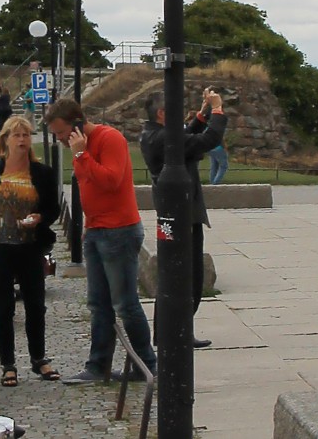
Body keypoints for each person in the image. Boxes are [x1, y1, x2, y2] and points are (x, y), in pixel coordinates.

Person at [45, 98, 156, 384]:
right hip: (96, 231)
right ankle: (98, 366)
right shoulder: (78, 147)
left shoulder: (110, 139)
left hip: (119, 231)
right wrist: (89, 226)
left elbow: (111, 181)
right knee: (98, 304)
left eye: (60, 132)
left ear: (77, 124)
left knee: (125, 303)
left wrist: (82, 155)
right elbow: (87, 188)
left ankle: (148, 364)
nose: (57, 139)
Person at [0, 116, 62, 387]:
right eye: (16, 135)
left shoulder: (42, 172)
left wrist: (39, 218)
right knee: (3, 306)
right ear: (5, 140)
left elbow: (52, 208)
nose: (22, 140)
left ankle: (39, 358)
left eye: (26, 135)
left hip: (29, 245)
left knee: (35, 304)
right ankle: (8, 365)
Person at [140, 88, 226, 350]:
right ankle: (175, 332)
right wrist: (218, 109)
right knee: (187, 277)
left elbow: (187, 135)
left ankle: (173, 331)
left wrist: (202, 113)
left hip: (173, 213)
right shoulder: (164, 138)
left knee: (174, 275)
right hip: (182, 214)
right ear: (163, 113)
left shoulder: (153, 133)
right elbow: (206, 140)